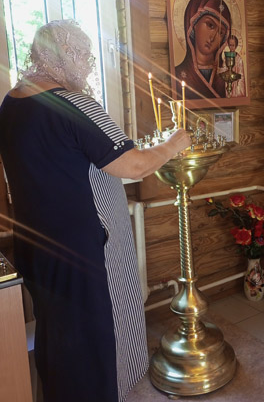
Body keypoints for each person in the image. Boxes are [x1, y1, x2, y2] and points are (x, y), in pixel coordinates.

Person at [0, 20, 191, 402]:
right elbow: (134, 165)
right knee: (97, 343)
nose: (87, 65)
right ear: (64, 56)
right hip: (86, 250)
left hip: (37, 246)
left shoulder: (11, 103)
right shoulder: (76, 104)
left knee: (57, 336)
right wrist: (174, 143)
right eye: (84, 55)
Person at [174, 0, 231, 100]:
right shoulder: (177, 74)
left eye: (221, 33)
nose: (212, 37)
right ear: (194, 23)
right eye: (210, 25)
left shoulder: (225, 78)